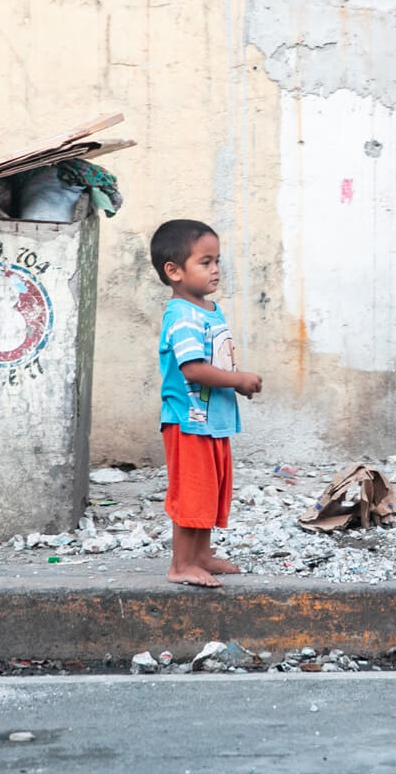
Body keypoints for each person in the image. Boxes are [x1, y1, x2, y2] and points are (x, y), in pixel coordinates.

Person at [150, 219, 262, 587]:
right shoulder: (181, 316)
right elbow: (194, 369)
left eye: (217, 261)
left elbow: (215, 362)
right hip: (188, 421)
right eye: (205, 262)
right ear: (174, 271)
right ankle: (181, 565)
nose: (215, 269)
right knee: (192, 494)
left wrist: (235, 384)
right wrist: (238, 379)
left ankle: (200, 556)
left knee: (209, 492)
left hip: (211, 419)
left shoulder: (209, 310)